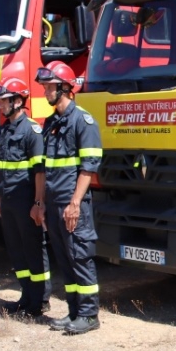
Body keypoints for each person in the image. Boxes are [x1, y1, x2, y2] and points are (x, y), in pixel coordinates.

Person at [35, 61, 102, 335]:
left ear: (65, 87)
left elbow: (88, 168)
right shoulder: (51, 123)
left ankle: (89, 315)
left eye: (49, 87)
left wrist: (75, 203)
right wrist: (41, 202)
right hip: (53, 204)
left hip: (73, 205)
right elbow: (43, 167)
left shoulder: (83, 121)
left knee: (80, 257)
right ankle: (74, 311)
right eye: (44, 87)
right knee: (64, 259)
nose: (45, 92)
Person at [0, 77, 51, 319]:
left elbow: (40, 172)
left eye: (4, 100)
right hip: (8, 200)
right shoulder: (2, 131)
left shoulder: (32, 130)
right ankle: (26, 296)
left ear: (17, 101)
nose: (0, 105)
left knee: (33, 250)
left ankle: (40, 301)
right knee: (17, 251)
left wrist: (38, 203)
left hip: (26, 201)